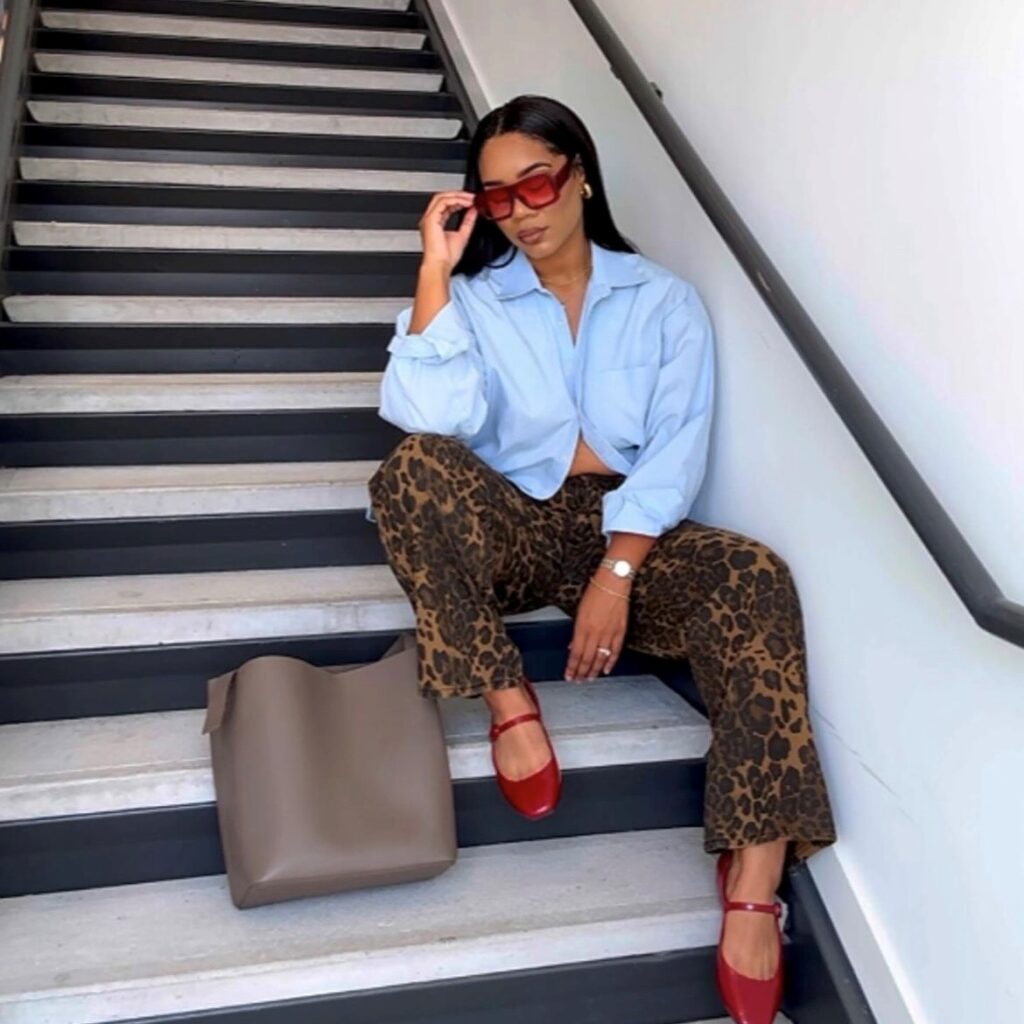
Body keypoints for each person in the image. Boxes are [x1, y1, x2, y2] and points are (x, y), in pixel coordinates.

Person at [367, 94, 837, 1024]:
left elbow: (676, 448)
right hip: (519, 521)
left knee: (754, 574)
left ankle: (752, 874)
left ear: (580, 173)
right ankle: (506, 698)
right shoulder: (472, 300)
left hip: (627, 525)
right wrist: (435, 271)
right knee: (409, 472)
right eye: (496, 198)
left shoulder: (663, 300)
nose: (523, 209)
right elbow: (431, 420)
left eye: (537, 182)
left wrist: (617, 574)